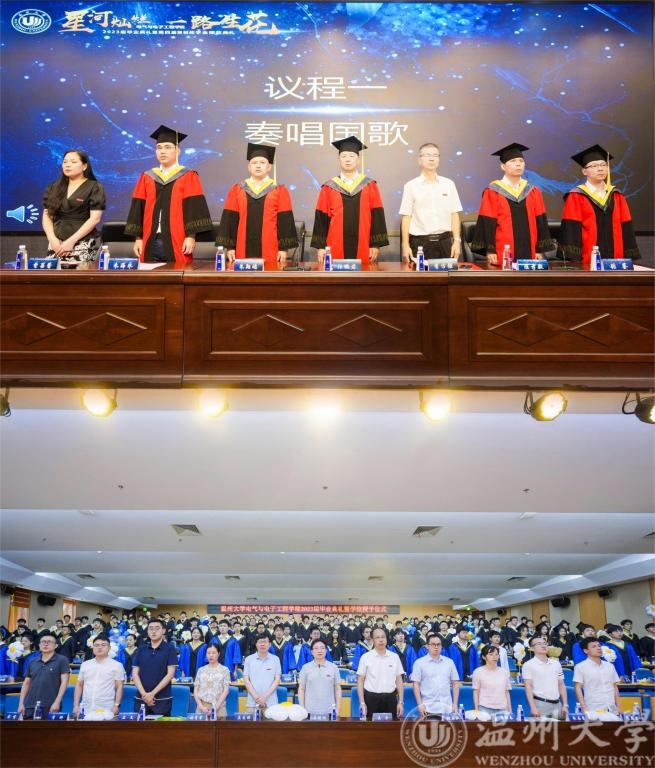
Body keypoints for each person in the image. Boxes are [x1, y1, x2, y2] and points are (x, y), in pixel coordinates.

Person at [125, 124, 213, 266]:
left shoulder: (188, 176)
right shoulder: (147, 176)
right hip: (150, 239)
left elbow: (194, 208)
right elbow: (138, 208)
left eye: (167, 147)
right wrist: (138, 238)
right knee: (149, 276)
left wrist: (191, 237)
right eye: (159, 148)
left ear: (178, 151)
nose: (162, 151)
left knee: (178, 274)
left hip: (177, 239)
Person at [215, 143, 298, 267]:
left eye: (262, 162)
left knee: (269, 275)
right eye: (254, 163)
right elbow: (230, 219)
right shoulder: (238, 189)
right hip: (242, 249)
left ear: (269, 167)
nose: (258, 166)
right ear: (249, 167)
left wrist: (283, 249)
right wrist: (230, 247)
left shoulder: (279, 190)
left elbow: (284, 220)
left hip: (271, 249)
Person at [311, 136, 389, 264]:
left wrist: (375, 245)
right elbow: (321, 218)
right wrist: (321, 247)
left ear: (358, 160)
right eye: (344, 156)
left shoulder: (370, 185)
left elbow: (377, 215)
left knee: (363, 275)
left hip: (363, 245)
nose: (348, 159)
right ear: (339, 159)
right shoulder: (328, 187)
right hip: (335, 246)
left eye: (352, 156)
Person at [559, 144, 640, 266]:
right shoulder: (576, 195)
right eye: (594, 166)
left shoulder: (616, 195)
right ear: (584, 171)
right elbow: (571, 229)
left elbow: (626, 226)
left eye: (603, 165)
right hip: (588, 259)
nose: (600, 169)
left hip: (616, 260)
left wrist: (629, 256)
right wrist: (575, 260)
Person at [471, 143, 552, 263]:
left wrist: (539, 249)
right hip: (503, 251)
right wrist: (490, 250)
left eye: (521, 161)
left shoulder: (533, 191)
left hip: (530, 251)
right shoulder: (493, 191)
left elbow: (541, 221)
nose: (518, 164)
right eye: (513, 161)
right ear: (503, 166)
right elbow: (487, 222)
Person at [399, 142, 463, 264]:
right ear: (419, 160)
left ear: (439, 159)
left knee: (446, 275)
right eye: (427, 155)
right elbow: (406, 217)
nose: (432, 158)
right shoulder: (411, 186)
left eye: (435, 155)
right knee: (420, 276)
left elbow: (454, 214)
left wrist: (456, 241)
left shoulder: (449, 184)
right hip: (420, 244)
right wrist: (405, 245)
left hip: (445, 242)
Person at [42, 149, 106, 262]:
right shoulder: (53, 187)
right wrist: (52, 239)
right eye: (65, 162)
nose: (68, 165)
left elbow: (95, 219)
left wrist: (71, 241)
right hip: (56, 244)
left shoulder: (94, 187)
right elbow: (47, 215)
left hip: (83, 243)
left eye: (73, 162)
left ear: (84, 166)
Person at [356, 627, 405, 721]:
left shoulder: (394, 657)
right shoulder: (365, 657)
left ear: (386, 639)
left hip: (390, 699)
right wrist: (362, 703)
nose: (381, 640)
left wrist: (400, 702)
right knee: (371, 728)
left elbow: (399, 680)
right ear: (372, 640)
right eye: (377, 637)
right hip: (371, 699)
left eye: (383, 637)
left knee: (391, 728)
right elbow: (360, 680)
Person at [132, 618, 178, 716]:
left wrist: (152, 694)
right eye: (151, 628)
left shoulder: (170, 649)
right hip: (141, 698)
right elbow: (135, 673)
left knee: (161, 726)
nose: (153, 631)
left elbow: (170, 674)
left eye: (157, 628)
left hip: (162, 699)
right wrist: (145, 695)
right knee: (139, 725)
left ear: (163, 630)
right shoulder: (141, 649)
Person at [17, 633, 70, 719]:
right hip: (30, 705)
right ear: (39, 645)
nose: (46, 644)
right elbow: (26, 683)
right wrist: (21, 704)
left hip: (50, 705)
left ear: (56, 646)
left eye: (49, 642)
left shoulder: (62, 660)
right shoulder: (32, 661)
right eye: (43, 642)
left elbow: (64, 682)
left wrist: (57, 702)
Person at [73, 634, 125, 718]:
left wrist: (117, 705)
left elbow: (120, 687)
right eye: (96, 645)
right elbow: (79, 685)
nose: (99, 647)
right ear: (93, 647)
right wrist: (76, 705)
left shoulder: (117, 665)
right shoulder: (85, 664)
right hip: (86, 708)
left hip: (107, 709)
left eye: (103, 645)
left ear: (109, 648)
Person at [411, 634, 460, 717]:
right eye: (433, 644)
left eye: (438, 644)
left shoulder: (449, 662)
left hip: (447, 708)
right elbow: (416, 684)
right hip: (428, 708)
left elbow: (455, 683)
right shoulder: (419, 663)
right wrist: (420, 704)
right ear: (427, 646)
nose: (436, 647)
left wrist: (455, 703)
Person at [522, 636, 568, 719]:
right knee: (541, 727)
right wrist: (533, 707)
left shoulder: (556, 663)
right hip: (540, 704)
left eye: (544, 643)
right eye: (539, 644)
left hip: (557, 704)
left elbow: (561, 684)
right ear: (532, 648)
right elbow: (528, 687)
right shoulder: (528, 665)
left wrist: (565, 704)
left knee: (559, 727)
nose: (543, 646)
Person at [573, 637, 620, 713]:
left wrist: (618, 706)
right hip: (593, 708)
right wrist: (583, 707)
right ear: (586, 651)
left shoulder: (610, 666)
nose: (598, 648)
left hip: (611, 708)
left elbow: (615, 687)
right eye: (594, 646)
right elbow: (577, 688)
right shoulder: (580, 667)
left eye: (599, 646)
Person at [297, 638, 342, 717]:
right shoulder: (305, 668)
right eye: (316, 648)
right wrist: (302, 708)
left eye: (322, 648)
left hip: (329, 710)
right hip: (309, 711)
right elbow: (301, 689)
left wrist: (338, 709)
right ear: (312, 652)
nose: (319, 651)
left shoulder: (333, 667)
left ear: (326, 651)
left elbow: (337, 689)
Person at [243, 633, 281, 715]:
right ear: (256, 644)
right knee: (252, 723)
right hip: (252, 703)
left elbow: (277, 680)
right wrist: (257, 698)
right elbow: (246, 680)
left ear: (270, 644)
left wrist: (264, 697)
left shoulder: (275, 659)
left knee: (271, 723)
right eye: (260, 642)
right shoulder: (248, 659)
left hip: (271, 703)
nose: (262, 644)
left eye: (265, 642)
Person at [471, 644, 511, 716]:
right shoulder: (478, 672)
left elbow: (507, 692)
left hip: (502, 708)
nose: (494, 657)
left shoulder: (504, 672)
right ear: (484, 657)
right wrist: (477, 710)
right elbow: (476, 692)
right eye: (491, 654)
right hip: (484, 708)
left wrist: (509, 710)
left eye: (496, 654)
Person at [193, 643, 231, 718]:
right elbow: (195, 690)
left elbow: (226, 691)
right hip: (202, 708)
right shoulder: (201, 670)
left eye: (213, 653)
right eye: (208, 653)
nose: (211, 655)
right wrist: (201, 706)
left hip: (219, 707)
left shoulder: (225, 670)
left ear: (218, 654)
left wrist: (215, 708)